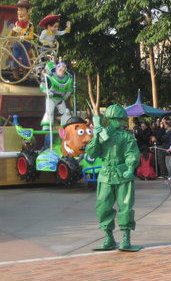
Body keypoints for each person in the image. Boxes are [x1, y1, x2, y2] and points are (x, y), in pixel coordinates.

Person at [87, 105, 141, 252]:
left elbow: (132, 153)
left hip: (123, 175)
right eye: (115, 119)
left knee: (126, 207)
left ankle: (126, 237)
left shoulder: (126, 136)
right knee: (103, 207)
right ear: (109, 119)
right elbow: (92, 152)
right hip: (105, 175)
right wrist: (97, 137)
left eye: (120, 119)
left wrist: (130, 168)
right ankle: (108, 237)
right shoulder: (102, 133)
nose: (119, 122)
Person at [39, 62, 74, 131]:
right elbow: (42, 86)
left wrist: (66, 96)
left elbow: (70, 89)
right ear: (56, 68)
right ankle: (47, 126)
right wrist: (47, 92)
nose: (62, 69)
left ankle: (66, 126)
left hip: (60, 99)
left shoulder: (69, 79)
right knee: (49, 111)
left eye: (64, 67)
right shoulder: (49, 76)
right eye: (60, 67)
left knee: (65, 112)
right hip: (51, 98)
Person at [9, 0, 35, 81]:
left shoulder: (30, 24)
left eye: (22, 10)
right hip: (16, 45)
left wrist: (24, 37)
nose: (19, 12)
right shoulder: (17, 24)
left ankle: (25, 76)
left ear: (28, 12)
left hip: (25, 45)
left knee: (25, 59)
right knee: (15, 58)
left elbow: (31, 36)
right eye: (18, 10)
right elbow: (10, 36)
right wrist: (13, 30)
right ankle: (15, 75)